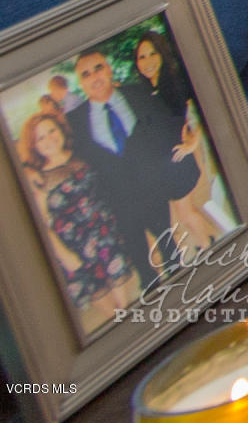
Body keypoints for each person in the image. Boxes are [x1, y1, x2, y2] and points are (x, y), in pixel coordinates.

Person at [18, 107, 137, 327]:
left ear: (61, 129)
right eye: (40, 137)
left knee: (125, 307)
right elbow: (41, 224)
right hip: (75, 251)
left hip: (105, 237)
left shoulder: (81, 156)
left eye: (51, 131)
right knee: (114, 318)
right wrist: (64, 256)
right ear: (34, 145)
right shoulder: (38, 179)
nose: (49, 139)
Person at [66, 53, 170, 288]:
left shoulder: (136, 93)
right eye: (86, 74)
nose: (94, 76)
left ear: (109, 69)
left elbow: (162, 130)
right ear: (81, 83)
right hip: (117, 202)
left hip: (153, 189)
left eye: (98, 68)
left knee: (170, 248)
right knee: (143, 266)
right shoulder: (73, 121)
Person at [129, 36, 220, 261]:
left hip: (178, 159)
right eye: (142, 57)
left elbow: (202, 111)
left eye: (152, 54)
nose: (147, 61)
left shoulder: (174, 83)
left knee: (186, 213)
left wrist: (194, 142)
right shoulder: (147, 88)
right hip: (167, 163)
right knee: (186, 212)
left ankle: (209, 251)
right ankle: (207, 244)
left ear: (162, 54)